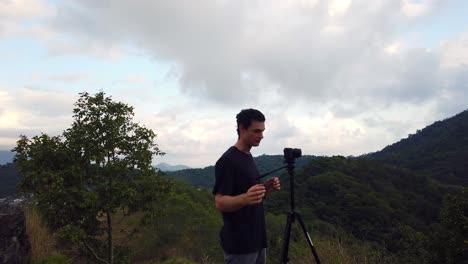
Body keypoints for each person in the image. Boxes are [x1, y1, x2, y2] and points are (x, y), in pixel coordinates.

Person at [213, 108, 281, 264]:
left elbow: (248, 195)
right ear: (242, 129)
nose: (261, 136)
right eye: (257, 131)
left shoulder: (248, 156)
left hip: (257, 240)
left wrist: (265, 190)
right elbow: (220, 202)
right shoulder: (228, 160)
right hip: (239, 245)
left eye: (263, 131)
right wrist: (245, 198)